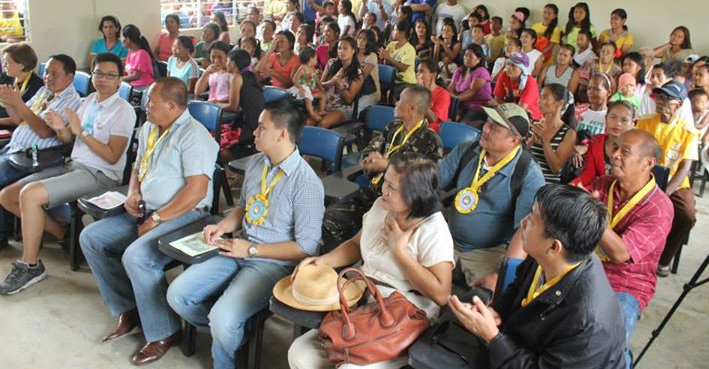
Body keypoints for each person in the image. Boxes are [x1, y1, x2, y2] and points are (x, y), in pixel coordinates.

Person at [168, 100, 324, 369]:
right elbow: (244, 208)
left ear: (282, 134)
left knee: (223, 318)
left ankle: (225, 352)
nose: (254, 132)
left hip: (272, 264)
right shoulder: (255, 163)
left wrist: (250, 251)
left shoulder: (307, 183)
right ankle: (233, 333)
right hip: (237, 246)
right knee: (178, 295)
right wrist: (223, 227)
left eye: (261, 128)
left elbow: (306, 247)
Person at [79, 77, 219, 365]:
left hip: (185, 215)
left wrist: (157, 217)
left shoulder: (194, 135)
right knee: (91, 237)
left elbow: (196, 192)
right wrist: (133, 192)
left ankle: (164, 331)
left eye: (151, 102)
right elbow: (138, 167)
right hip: (146, 209)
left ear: (171, 106)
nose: (146, 105)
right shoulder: (149, 128)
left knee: (137, 257)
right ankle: (128, 307)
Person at [289, 153, 454, 369]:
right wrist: (321, 261)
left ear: (415, 195)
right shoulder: (381, 206)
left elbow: (442, 295)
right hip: (363, 302)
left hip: (402, 316)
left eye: (392, 188)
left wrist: (400, 252)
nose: (383, 190)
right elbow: (356, 245)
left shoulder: (433, 229)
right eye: (385, 181)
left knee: (348, 368)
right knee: (300, 354)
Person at [0, 53, 136, 295]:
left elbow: (112, 156)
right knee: (8, 195)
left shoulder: (123, 110)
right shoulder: (89, 101)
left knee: (30, 195)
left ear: (119, 80)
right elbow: (69, 139)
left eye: (110, 75)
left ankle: (30, 265)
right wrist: (61, 128)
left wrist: (80, 132)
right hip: (73, 164)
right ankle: (65, 234)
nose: (103, 79)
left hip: (99, 174)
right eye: (98, 73)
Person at [448, 184, 625, 369]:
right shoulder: (552, 257)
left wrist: (492, 337)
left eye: (532, 221)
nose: (523, 222)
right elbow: (517, 287)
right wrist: (497, 312)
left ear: (554, 246)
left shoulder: (588, 325)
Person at [589, 129, 673, 368]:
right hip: (586, 267)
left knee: (608, 343)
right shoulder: (603, 184)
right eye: (614, 148)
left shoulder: (659, 208)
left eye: (624, 151)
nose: (614, 155)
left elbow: (620, 253)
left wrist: (589, 214)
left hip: (626, 284)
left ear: (648, 163)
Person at [323, 85, 443, 249]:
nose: (395, 103)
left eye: (400, 99)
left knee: (374, 232)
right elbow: (370, 149)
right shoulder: (393, 128)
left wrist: (387, 166)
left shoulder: (430, 141)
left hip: (400, 206)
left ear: (412, 107)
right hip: (373, 194)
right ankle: (338, 263)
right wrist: (369, 160)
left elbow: (425, 184)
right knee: (329, 217)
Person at [438, 103, 545, 289]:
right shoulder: (467, 151)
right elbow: (434, 180)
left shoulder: (528, 174)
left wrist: (501, 275)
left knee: (487, 299)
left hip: (487, 251)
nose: (485, 129)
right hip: (446, 237)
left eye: (494, 127)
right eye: (487, 123)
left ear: (514, 140)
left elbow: (525, 231)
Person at [0, 54, 81, 250]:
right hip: (15, 148)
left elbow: (44, 131)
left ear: (69, 77)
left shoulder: (71, 101)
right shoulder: (44, 92)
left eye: (55, 73)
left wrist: (19, 103)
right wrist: (11, 103)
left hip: (35, 157)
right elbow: (20, 119)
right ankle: (8, 228)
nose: (48, 77)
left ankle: (2, 236)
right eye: (46, 72)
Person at [636, 81, 698, 277]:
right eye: (659, 97)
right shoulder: (645, 122)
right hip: (644, 177)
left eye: (667, 98)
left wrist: (664, 193)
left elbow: (685, 167)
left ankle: (663, 259)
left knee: (687, 214)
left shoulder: (688, 132)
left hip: (674, 183)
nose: (661, 102)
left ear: (678, 104)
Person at [571, 101, 635, 187]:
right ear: (605, 119)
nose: (618, 123)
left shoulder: (636, 149)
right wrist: (571, 186)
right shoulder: (595, 141)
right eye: (613, 117)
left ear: (632, 124)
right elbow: (588, 175)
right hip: (597, 193)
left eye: (624, 120)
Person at [220, 49, 264, 162]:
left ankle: (231, 171)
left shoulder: (236, 77)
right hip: (257, 122)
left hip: (248, 127)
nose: (226, 63)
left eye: (228, 61)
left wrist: (215, 105)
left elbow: (233, 106)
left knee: (215, 140)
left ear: (233, 64)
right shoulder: (249, 76)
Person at [527, 84, 576, 183]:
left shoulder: (568, 133)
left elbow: (556, 168)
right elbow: (521, 155)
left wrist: (545, 140)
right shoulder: (535, 126)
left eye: (545, 97)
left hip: (547, 187)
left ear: (560, 103)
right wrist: (531, 141)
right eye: (540, 97)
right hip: (526, 180)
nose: (539, 101)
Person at [313, 36, 365, 128]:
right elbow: (320, 86)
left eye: (345, 48)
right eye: (339, 48)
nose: (341, 51)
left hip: (342, 108)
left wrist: (341, 86)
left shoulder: (357, 73)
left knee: (323, 123)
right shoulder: (331, 63)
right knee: (308, 121)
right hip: (324, 103)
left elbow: (349, 100)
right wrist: (331, 82)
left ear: (353, 51)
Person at [0, 43, 43, 125]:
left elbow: (25, 118)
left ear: (22, 65)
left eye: (7, 62)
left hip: (11, 126)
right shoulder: (5, 76)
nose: (3, 65)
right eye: (3, 61)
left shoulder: (37, 86)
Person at [448, 43, 492, 124]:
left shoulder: (481, 71)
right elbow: (450, 88)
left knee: (463, 126)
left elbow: (472, 92)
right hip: (461, 106)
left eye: (470, 56)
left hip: (477, 107)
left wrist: (455, 99)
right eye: (465, 55)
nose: (466, 58)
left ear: (478, 59)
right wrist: (448, 96)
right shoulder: (459, 70)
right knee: (446, 121)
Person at [493, 53, 541, 120]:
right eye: (508, 64)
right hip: (508, 113)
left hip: (529, 117)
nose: (509, 68)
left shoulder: (530, 83)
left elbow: (520, 110)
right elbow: (497, 100)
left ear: (522, 69)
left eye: (514, 66)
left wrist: (503, 105)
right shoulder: (503, 76)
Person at [379, 20, 417, 100]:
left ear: (402, 34)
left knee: (395, 92)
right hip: (391, 79)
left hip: (405, 82)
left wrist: (389, 58)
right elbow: (386, 63)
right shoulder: (391, 45)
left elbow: (403, 68)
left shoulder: (409, 49)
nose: (392, 32)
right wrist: (383, 57)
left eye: (395, 30)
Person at [288, 47, 326, 123]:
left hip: (311, 90)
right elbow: (294, 79)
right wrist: (300, 88)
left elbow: (316, 80)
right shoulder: (302, 68)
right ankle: (312, 113)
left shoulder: (313, 68)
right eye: (315, 58)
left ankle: (321, 110)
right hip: (303, 90)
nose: (316, 60)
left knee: (323, 95)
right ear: (310, 59)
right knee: (308, 98)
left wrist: (321, 87)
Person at [416, 57, 450, 132]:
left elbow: (433, 119)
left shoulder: (443, 94)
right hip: (415, 126)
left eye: (421, 71)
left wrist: (421, 91)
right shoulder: (415, 90)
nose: (418, 74)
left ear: (433, 75)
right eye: (417, 71)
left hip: (430, 131)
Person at [195, 41, 232, 106]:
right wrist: (206, 73)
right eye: (213, 57)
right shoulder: (211, 70)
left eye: (220, 57)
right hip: (210, 105)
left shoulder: (231, 73)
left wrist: (217, 102)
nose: (216, 61)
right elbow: (197, 91)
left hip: (224, 108)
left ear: (227, 55)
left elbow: (234, 99)